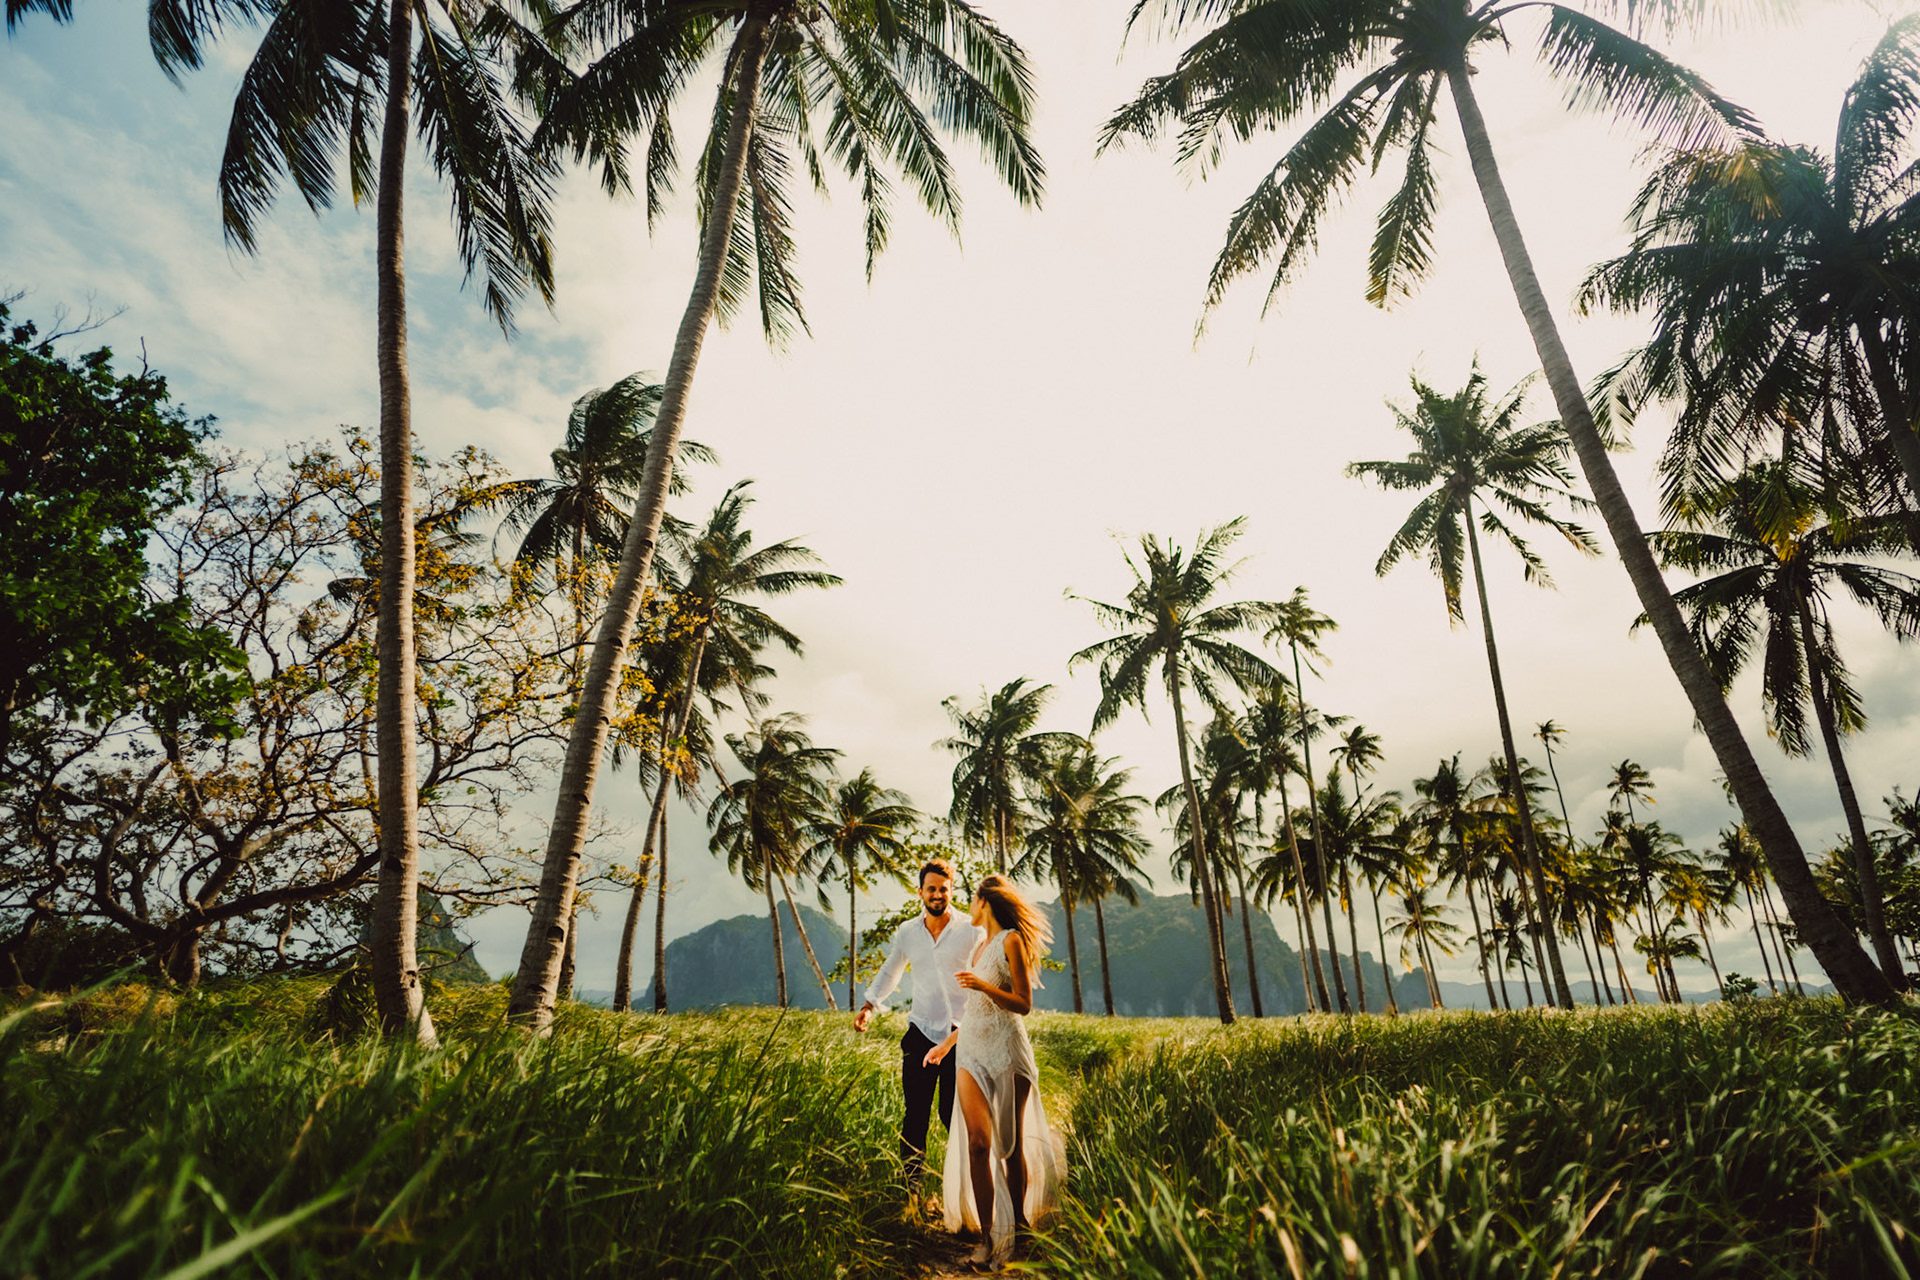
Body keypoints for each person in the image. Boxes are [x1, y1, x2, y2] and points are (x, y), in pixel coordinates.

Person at [924, 874, 1063, 1268]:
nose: (968, 903)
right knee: (978, 1144)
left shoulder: (1011, 941)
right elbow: (973, 1012)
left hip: (1007, 1050)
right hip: (970, 1051)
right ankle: (988, 1238)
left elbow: (1023, 1003)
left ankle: (1018, 1226)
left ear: (985, 901)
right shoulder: (979, 947)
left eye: (973, 897)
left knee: (1010, 1146)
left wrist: (983, 987)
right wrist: (945, 1046)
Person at [853, 858, 983, 1209]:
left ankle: (967, 1197)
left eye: (943, 888)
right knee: (914, 1116)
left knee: (951, 1115)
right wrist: (869, 1005)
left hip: (959, 1036)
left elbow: (985, 977)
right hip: (920, 1031)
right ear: (920, 892)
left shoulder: (972, 930)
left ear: (951, 890)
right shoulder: (907, 932)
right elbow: (891, 969)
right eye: (931, 888)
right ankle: (912, 1194)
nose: (937, 894)